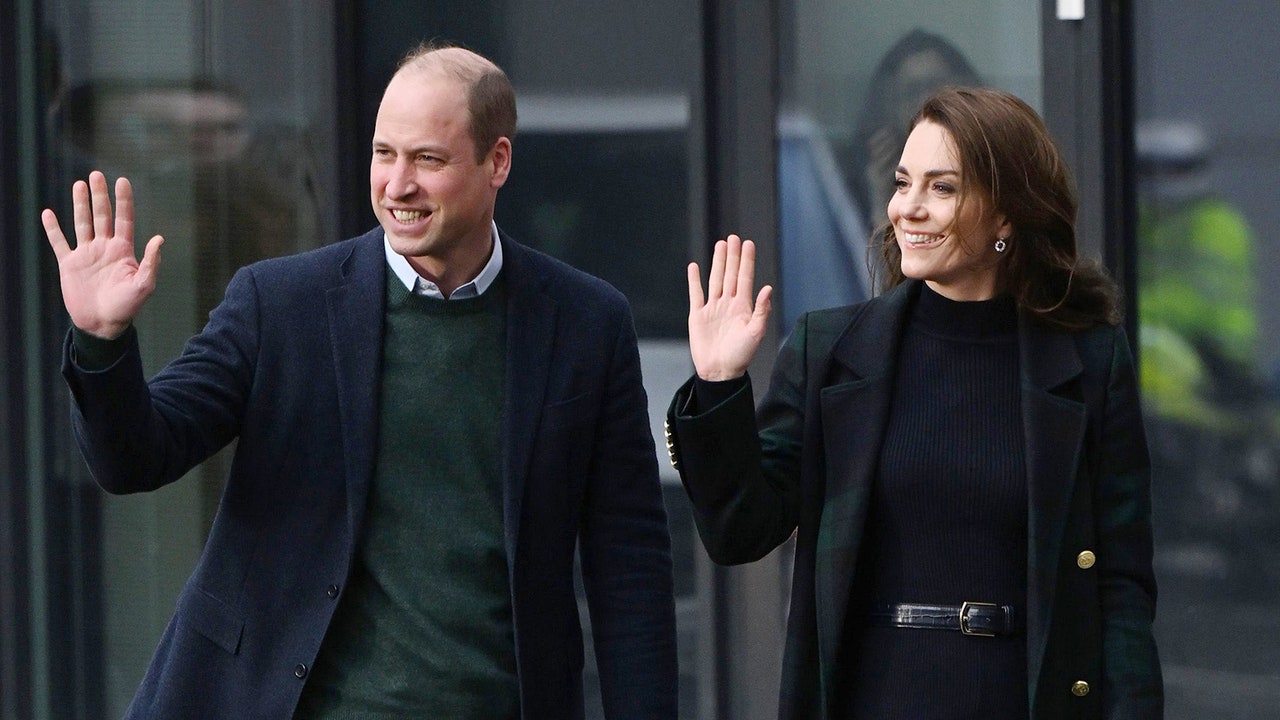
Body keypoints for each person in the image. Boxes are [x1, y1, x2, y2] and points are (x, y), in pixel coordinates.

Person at [43, 43, 677, 720]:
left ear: (497, 161)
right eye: (384, 154)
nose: (397, 185)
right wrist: (103, 342)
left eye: (427, 159)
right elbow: (138, 455)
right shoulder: (281, 304)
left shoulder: (585, 323)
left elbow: (628, 564)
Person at [664, 87, 1161, 718]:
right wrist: (717, 384)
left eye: (942, 188)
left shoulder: (1088, 361)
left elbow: (1121, 586)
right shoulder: (833, 350)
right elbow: (739, 529)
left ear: (1006, 215)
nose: (908, 209)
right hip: (875, 698)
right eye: (903, 183)